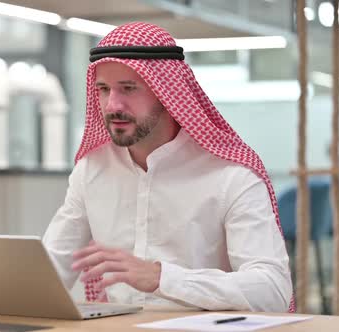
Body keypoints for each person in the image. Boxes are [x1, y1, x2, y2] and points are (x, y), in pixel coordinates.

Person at [42, 22, 293, 313]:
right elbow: (50, 271)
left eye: (128, 88)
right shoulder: (91, 169)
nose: (112, 105)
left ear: (167, 90)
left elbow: (272, 289)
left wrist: (162, 278)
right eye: (103, 89)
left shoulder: (231, 175)